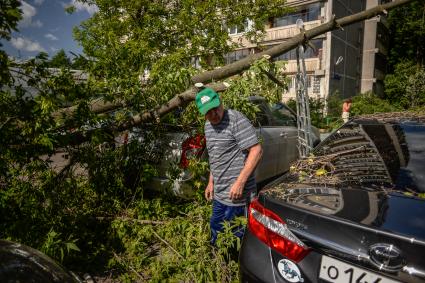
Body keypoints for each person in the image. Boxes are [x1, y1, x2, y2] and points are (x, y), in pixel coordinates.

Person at [195, 87, 263, 245]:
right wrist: (211, 182)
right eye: (208, 112)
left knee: (236, 240)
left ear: (220, 103)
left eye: (215, 108)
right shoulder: (208, 126)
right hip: (220, 194)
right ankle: (222, 266)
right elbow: (214, 156)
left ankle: (236, 268)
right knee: (216, 233)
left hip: (238, 196)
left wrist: (240, 182)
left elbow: (256, 150)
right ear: (202, 113)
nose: (214, 114)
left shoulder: (236, 119)